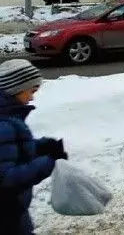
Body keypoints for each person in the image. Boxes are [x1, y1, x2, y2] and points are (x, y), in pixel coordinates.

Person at [0, 59, 68, 233]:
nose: (32, 97)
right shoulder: (4, 124)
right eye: (31, 91)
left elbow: (12, 150)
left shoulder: (8, 117)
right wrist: (48, 162)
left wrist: (42, 147)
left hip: (12, 211)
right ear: (16, 88)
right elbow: (6, 178)